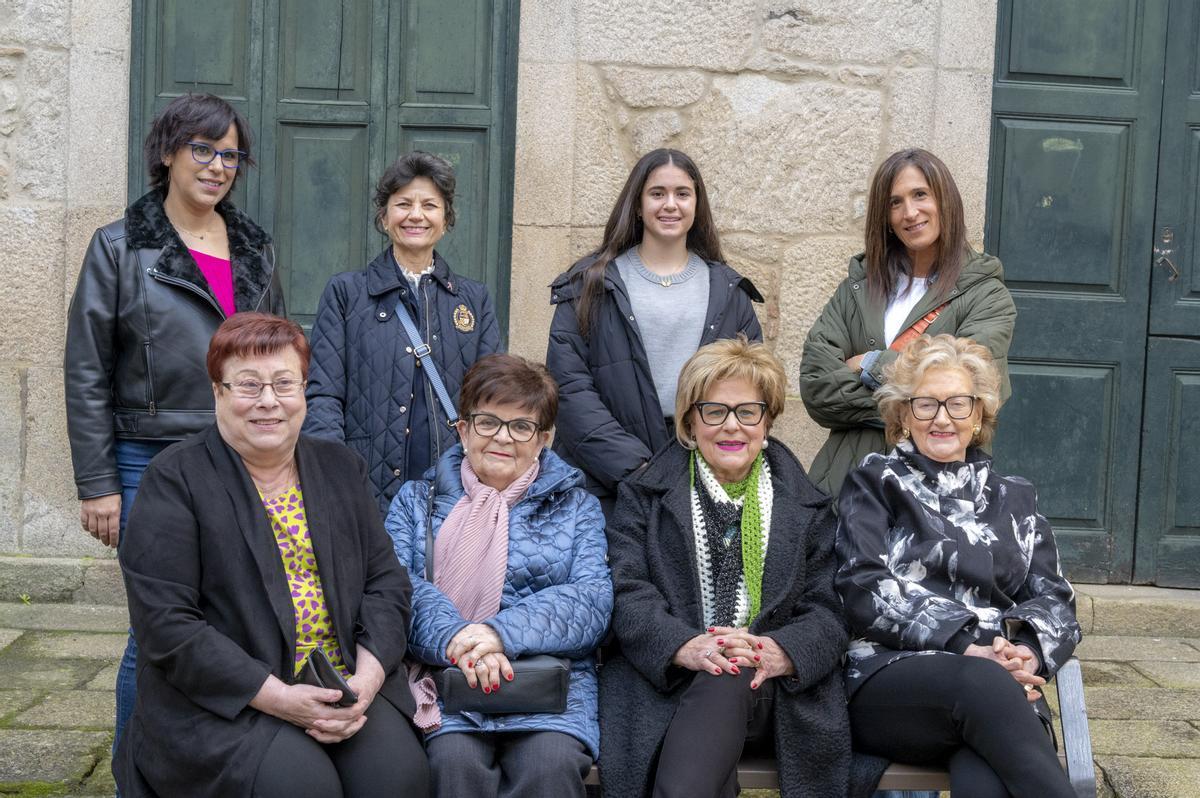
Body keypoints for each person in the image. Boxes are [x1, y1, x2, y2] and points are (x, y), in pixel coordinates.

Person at [115, 313, 429, 798]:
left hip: (340, 678)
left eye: (284, 383)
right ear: (217, 392)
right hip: (226, 698)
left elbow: (386, 585)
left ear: (303, 390)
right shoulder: (174, 479)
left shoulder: (340, 467)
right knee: (302, 787)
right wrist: (281, 698)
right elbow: (167, 624)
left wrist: (365, 682)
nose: (268, 400)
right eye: (248, 385)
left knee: (397, 779)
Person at [63, 92, 284, 761]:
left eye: (231, 155)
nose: (218, 166)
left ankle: (212, 764)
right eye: (203, 149)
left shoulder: (254, 246)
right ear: (167, 153)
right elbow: (87, 369)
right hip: (148, 459)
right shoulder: (118, 246)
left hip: (239, 459)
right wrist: (98, 482)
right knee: (157, 631)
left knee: (235, 624)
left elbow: (274, 356)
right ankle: (137, 772)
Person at [600, 337, 875, 798]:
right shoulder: (643, 496)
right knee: (722, 676)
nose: (732, 425)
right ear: (690, 420)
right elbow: (627, 591)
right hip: (665, 684)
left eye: (748, 412)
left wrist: (779, 649)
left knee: (730, 671)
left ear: (767, 421)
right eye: (714, 411)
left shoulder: (808, 507)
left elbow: (830, 608)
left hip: (775, 693)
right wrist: (685, 645)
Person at [836, 334, 1081, 798]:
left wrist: (1024, 652)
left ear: (979, 415)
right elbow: (862, 584)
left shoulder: (1015, 497)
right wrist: (970, 645)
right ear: (903, 415)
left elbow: (1056, 600)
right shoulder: (875, 482)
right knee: (985, 688)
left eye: (958, 404)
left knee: (988, 777)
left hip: (999, 690)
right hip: (893, 680)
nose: (942, 418)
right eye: (926, 404)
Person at [385, 353, 612, 798]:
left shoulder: (577, 506)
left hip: (551, 692)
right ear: (464, 429)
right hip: (447, 683)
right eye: (488, 422)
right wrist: (457, 637)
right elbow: (396, 586)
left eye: (521, 426)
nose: (503, 437)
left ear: (543, 439)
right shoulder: (416, 501)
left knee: (549, 766)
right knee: (452, 763)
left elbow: (591, 600)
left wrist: (497, 634)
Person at [547, 148, 763, 514]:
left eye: (682, 194)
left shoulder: (729, 291)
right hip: (601, 484)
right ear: (637, 204)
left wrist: (701, 463)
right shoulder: (588, 284)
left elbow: (752, 388)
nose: (670, 205)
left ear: (697, 204)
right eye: (657, 193)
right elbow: (569, 389)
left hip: (702, 478)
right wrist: (641, 470)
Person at [799, 147, 1017, 498]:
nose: (909, 212)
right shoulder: (858, 288)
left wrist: (869, 363)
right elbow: (816, 388)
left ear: (944, 200)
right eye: (895, 202)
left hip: (936, 494)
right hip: (845, 489)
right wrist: (920, 400)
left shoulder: (987, 296)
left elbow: (969, 399)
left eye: (920, 195)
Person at [305, 151, 501, 514]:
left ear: (446, 219)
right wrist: (336, 477)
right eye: (403, 204)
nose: (416, 215)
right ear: (384, 217)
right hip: (364, 489)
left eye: (430, 205)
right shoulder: (346, 293)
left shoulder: (474, 299)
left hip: (454, 491)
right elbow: (324, 396)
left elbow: (493, 401)